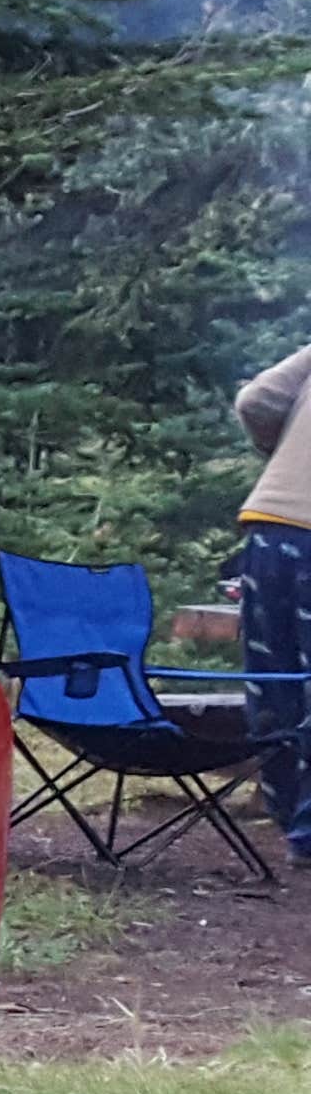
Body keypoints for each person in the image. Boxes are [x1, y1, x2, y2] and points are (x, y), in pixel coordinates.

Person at [237, 341, 311, 861]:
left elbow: (255, 401)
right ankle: (307, 834)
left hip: (271, 526)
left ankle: (288, 814)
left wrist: (284, 452)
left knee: (277, 677)